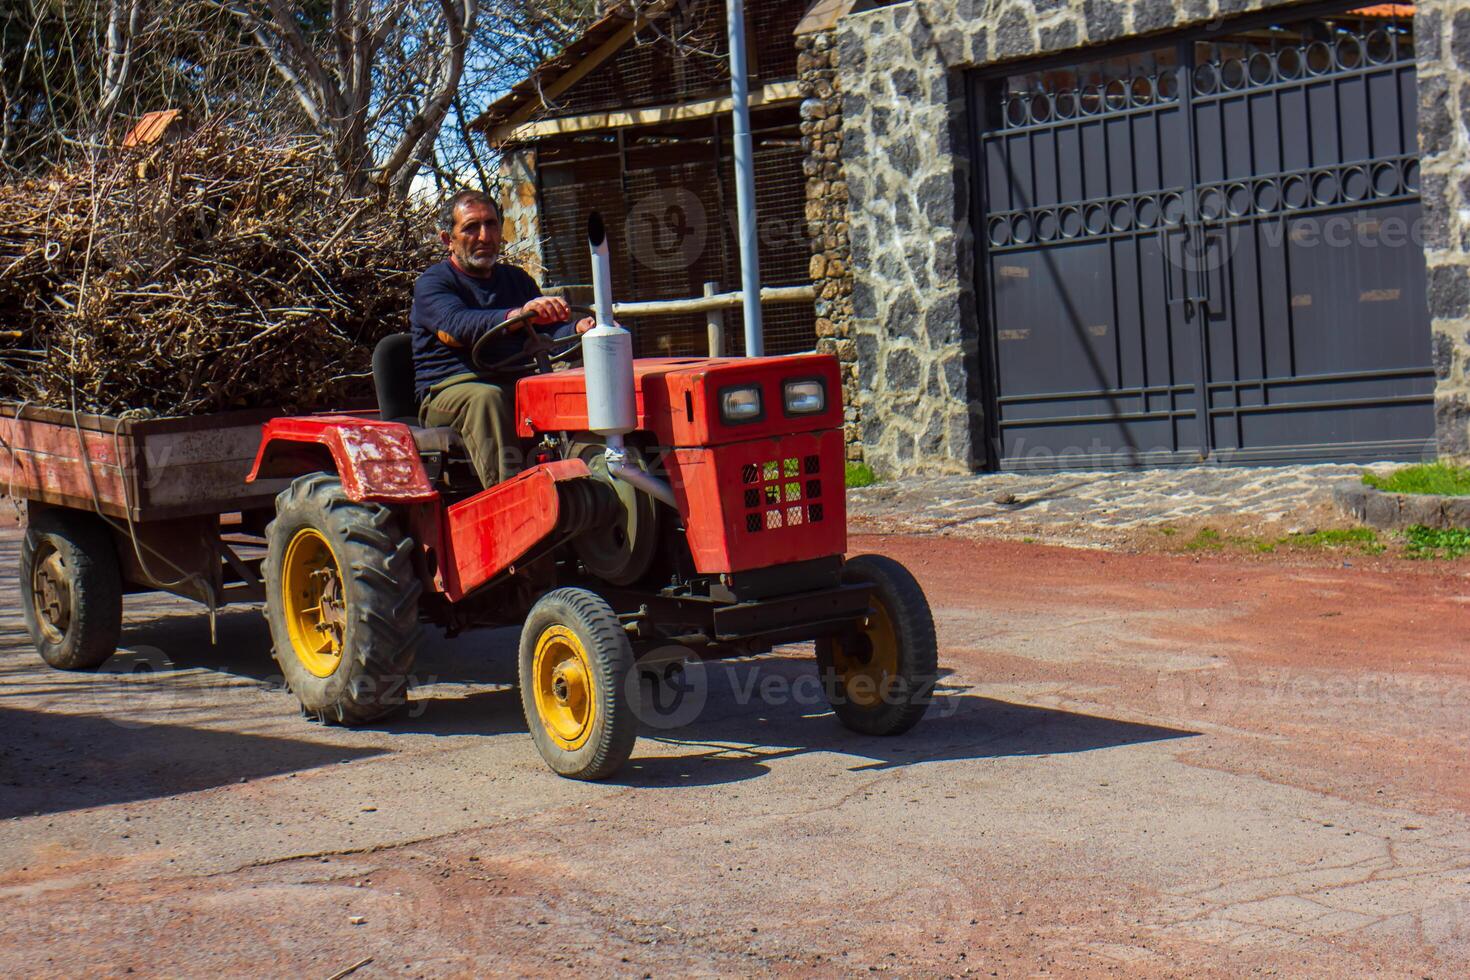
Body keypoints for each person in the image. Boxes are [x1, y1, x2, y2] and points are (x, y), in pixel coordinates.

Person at [411, 190, 594, 487]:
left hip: (513, 380)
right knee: (488, 398)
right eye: (471, 227)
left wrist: (577, 330)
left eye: (491, 224)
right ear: (448, 240)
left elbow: (543, 334)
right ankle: (511, 500)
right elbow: (456, 327)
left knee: (565, 388)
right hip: (451, 390)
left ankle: (591, 476)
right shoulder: (434, 283)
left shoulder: (516, 279)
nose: (485, 236)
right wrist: (517, 315)